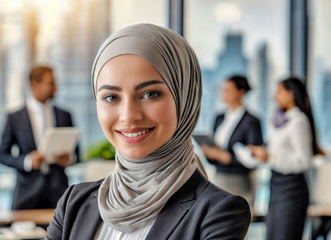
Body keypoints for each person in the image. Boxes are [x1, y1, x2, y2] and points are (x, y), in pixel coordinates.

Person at [46, 23, 251, 240]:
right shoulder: (73, 203)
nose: (128, 116)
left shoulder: (219, 212)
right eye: (111, 97)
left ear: (184, 98)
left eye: (150, 94)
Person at [249, 77, 324, 240]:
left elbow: (304, 161)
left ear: (291, 94)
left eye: (279, 92)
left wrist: (270, 158)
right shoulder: (280, 121)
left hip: (292, 190)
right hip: (276, 186)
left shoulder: (299, 121)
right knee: (272, 235)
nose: (275, 96)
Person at [0, 65, 78, 210]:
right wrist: (27, 161)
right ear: (34, 85)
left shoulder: (64, 115)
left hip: (59, 192)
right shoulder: (14, 118)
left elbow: (77, 154)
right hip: (26, 193)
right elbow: (2, 156)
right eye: (51, 83)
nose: (56, 88)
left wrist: (69, 159)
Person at [201, 75, 263, 211]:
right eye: (223, 90)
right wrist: (211, 154)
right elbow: (215, 154)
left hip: (240, 181)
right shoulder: (219, 118)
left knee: (237, 224)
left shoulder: (251, 121)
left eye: (228, 90)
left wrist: (228, 158)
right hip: (219, 179)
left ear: (241, 92)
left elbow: (254, 159)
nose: (223, 93)